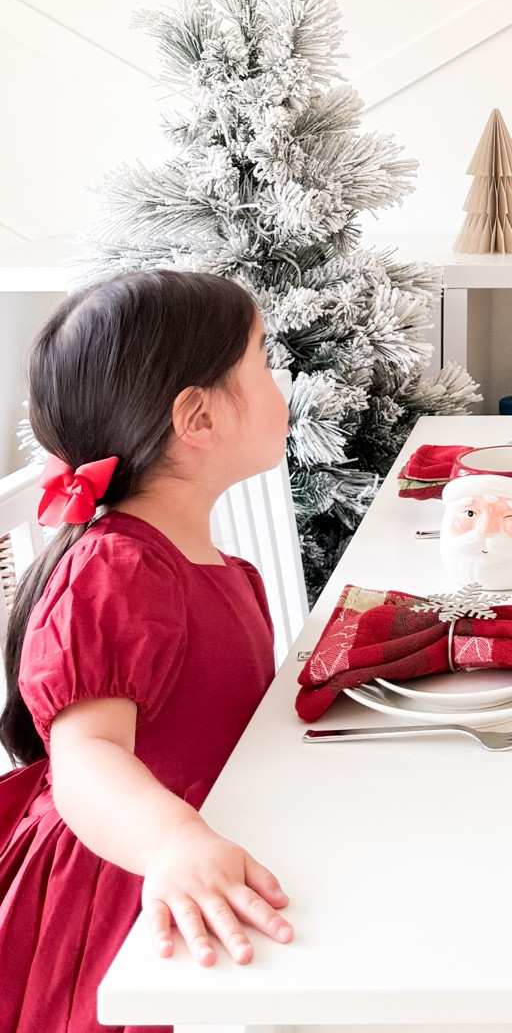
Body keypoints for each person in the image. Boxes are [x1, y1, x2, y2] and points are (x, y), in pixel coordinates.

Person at [0, 269, 295, 1033]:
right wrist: (174, 840)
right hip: (130, 873)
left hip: (211, 840)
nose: (280, 380)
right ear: (197, 416)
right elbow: (85, 756)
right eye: (263, 361)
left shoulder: (218, 568)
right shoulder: (120, 569)